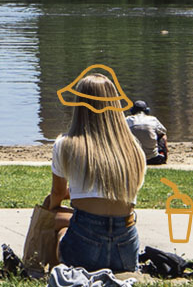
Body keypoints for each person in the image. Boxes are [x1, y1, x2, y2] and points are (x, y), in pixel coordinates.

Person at [47, 72, 146, 273]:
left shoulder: (65, 145)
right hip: (125, 248)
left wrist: (54, 208)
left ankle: (51, 270)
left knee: (56, 223)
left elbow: (57, 194)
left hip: (83, 248)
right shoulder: (133, 149)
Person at [126, 100, 168, 165]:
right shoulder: (153, 120)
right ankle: (163, 154)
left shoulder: (127, 120)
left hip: (134, 160)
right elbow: (164, 131)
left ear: (132, 110)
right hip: (153, 159)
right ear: (147, 110)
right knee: (162, 135)